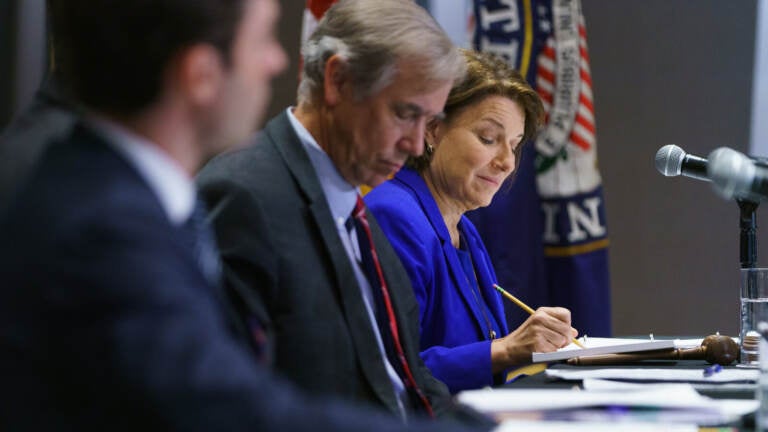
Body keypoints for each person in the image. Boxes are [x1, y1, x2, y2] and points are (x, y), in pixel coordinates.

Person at [0, 1, 478, 431]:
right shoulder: (104, 220)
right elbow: (224, 409)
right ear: (200, 73)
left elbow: (403, 377)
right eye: (263, 39)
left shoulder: (107, 189)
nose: (277, 61)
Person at [197, 0, 490, 427]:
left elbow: (406, 381)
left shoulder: (357, 209)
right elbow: (239, 402)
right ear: (338, 81)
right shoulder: (244, 197)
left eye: (427, 121)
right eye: (405, 114)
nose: (414, 145)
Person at [365, 49, 579, 394]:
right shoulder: (393, 216)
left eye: (514, 144)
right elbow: (393, 372)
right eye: (488, 139)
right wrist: (508, 349)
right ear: (432, 130)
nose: (507, 162)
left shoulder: (464, 229)